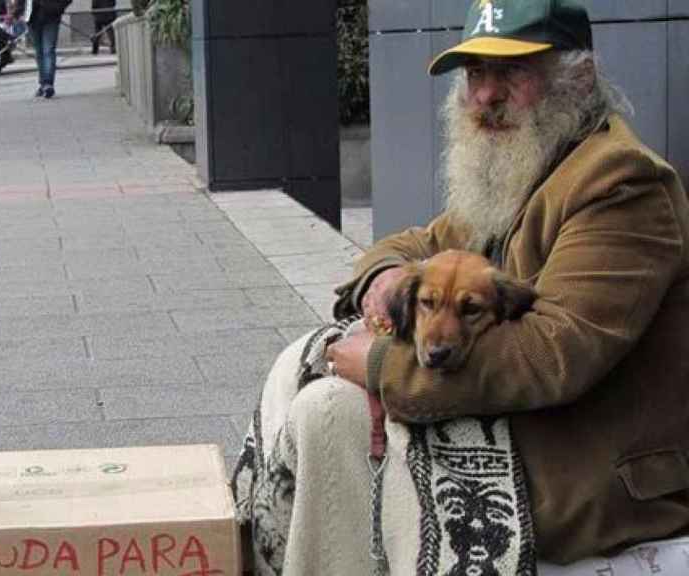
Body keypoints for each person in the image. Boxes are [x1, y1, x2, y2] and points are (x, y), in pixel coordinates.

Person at [231, 0, 689, 574]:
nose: (485, 96)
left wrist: (380, 365)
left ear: (579, 78)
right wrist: (385, 278)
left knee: (333, 415)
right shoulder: (522, 167)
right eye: (475, 75)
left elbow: (553, 353)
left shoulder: (620, 182)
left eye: (513, 74)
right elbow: (414, 244)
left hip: (589, 463)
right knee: (313, 385)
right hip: (525, 425)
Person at [7, 0, 72, 98]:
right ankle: (43, 84)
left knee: (48, 50)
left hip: (50, 17)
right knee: (40, 52)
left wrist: (58, 8)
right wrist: (16, 12)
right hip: (32, 18)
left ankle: (47, 83)